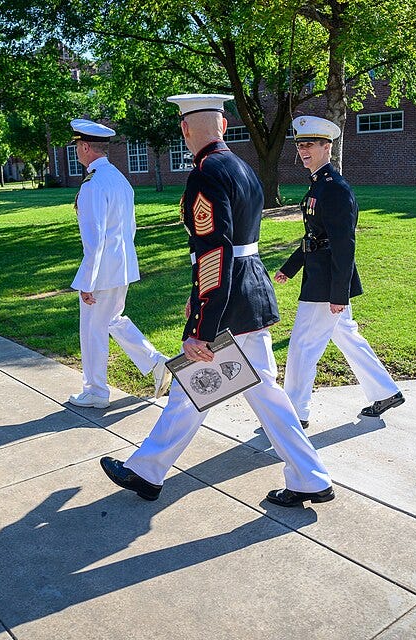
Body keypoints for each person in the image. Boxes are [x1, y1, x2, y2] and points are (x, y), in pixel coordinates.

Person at [100, 95, 334, 508]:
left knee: (219, 384)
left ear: (185, 130)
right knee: (217, 390)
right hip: (248, 289)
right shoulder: (241, 167)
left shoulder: (206, 174)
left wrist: (201, 329)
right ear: (223, 127)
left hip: (228, 301)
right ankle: (148, 471)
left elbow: (215, 253)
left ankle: (149, 471)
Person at [274, 115, 404, 428]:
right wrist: (290, 269)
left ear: (327, 147)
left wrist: (339, 294)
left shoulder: (335, 189)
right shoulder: (320, 184)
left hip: (326, 285)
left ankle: (295, 413)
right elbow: (314, 236)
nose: (303, 150)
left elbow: (345, 246)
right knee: (346, 336)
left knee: (302, 347)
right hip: (321, 278)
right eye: (300, 144)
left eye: (310, 144)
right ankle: (386, 392)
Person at [67, 119, 172, 409]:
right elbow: (130, 228)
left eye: (77, 145)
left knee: (92, 331)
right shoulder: (120, 179)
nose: (77, 150)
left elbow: (94, 239)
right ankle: (156, 362)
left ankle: (96, 391)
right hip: (121, 266)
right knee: (111, 320)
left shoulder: (93, 184)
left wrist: (87, 281)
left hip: (101, 271)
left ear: (86, 147)